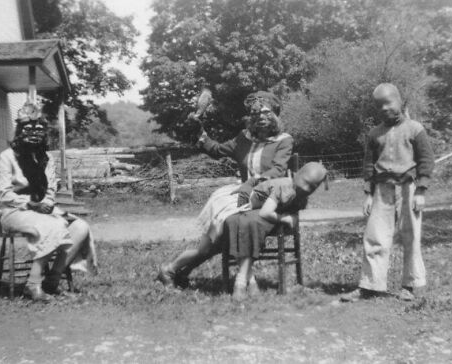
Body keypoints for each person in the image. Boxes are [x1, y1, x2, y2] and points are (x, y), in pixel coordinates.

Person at [157, 91, 293, 289]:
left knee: (227, 231)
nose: (261, 118)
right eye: (256, 114)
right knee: (210, 243)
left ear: (275, 115)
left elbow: (279, 170)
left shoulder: (284, 140)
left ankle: (176, 270)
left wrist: (252, 183)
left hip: (268, 198)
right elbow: (218, 150)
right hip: (241, 196)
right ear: (251, 118)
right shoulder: (244, 139)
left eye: (266, 113)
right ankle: (171, 270)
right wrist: (199, 131)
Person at [340, 83, 434, 303]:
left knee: (410, 236)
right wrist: (368, 194)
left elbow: (426, 161)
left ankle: (409, 285)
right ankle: (370, 285)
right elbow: (368, 166)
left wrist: (421, 190)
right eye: (379, 105)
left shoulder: (415, 129)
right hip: (382, 189)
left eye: (388, 102)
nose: (384, 108)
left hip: (408, 188)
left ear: (400, 101)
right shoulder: (374, 134)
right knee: (375, 237)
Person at [0, 101, 92, 302]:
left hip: (41, 210)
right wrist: (32, 204)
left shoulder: (46, 157)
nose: (35, 133)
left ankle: (52, 281)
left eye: (39, 129)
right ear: (20, 131)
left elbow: (51, 188)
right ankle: (33, 284)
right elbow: (4, 194)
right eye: (29, 129)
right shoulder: (7, 157)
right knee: (55, 225)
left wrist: (47, 203)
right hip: (14, 211)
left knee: (80, 227)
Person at [225, 162, 327, 300]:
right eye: (305, 183)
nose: (305, 188)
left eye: (311, 187)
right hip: (247, 203)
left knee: (249, 224)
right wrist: (284, 218)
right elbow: (266, 212)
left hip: (264, 210)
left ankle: (245, 281)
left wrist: (293, 217)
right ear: (297, 176)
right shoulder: (283, 187)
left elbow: (293, 213)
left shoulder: (301, 196)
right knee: (240, 223)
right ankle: (245, 281)